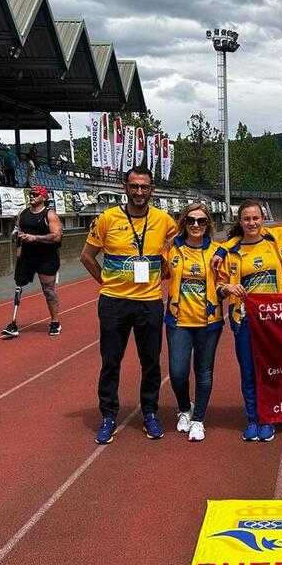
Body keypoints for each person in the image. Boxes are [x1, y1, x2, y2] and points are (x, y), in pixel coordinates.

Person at [81, 167, 177, 444]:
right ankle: (109, 415)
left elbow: (176, 251)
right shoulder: (107, 219)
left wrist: (166, 271)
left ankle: (150, 413)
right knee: (111, 361)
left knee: (151, 363)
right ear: (125, 187)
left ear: (152, 190)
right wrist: (106, 282)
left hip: (149, 302)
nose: (139, 192)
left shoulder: (164, 221)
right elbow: (87, 256)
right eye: (134, 186)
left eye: (144, 187)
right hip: (114, 303)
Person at [215, 200, 282, 442]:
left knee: (269, 370)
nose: (252, 223)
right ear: (240, 221)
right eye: (247, 219)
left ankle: (268, 417)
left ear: (262, 219)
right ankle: (253, 418)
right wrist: (227, 288)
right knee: (248, 371)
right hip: (244, 318)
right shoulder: (232, 252)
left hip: (273, 320)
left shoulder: (275, 240)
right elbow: (219, 285)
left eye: (256, 218)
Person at [164, 202, 225, 443]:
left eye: (201, 221)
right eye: (191, 221)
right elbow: (155, 270)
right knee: (177, 373)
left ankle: (198, 419)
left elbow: (222, 285)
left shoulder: (218, 251)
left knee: (204, 371)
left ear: (208, 224)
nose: (196, 225)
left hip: (209, 322)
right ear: (184, 223)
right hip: (178, 320)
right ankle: (183, 408)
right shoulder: (171, 249)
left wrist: (225, 289)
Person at [1, 186, 63, 338]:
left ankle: (55, 322)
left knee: (48, 291)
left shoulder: (50, 214)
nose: (32, 196)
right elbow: (16, 231)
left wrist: (35, 238)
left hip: (46, 258)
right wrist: (18, 243)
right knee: (19, 286)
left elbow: (56, 236)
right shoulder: (22, 213)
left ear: (43, 197)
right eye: (30, 194)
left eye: (35, 194)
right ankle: (13, 323)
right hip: (27, 256)